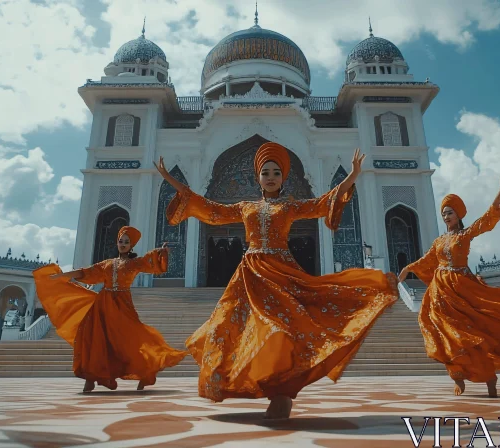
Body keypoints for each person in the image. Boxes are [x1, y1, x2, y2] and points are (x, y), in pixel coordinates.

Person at [155, 143, 399, 419]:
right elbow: (209, 208)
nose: (270, 177)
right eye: (265, 173)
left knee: (280, 331)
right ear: (257, 178)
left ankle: (282, 395)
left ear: (283, 177)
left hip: (281, 273)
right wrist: (171, 180)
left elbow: (324, 203)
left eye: (276, 173)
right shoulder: (244, 207)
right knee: (226, 330)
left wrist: (352, 175)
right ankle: (253, 385)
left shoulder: (291, 206)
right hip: (249, 276)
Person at [398, 175, 500, 398]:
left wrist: (498, 197)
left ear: (458, 215)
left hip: (463, 288)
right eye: (443, 213)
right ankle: (457, 375)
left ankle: (489, 378)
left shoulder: (464, 235)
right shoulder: (439, 241)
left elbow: (484, 222)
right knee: (447, 334)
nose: (446, 217)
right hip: (441, 291)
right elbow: (427, 260)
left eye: (450, 212)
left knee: (474, 333)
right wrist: (408, 268)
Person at [32, 226, 187, 393]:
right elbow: (86, 272)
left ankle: (145, 372)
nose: (123, 244)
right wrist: (61, 276)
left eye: (127, 242)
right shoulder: (107, 264)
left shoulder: (134, 263)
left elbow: (150, 262)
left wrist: (161, 252)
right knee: (96, 339)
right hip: (102, 305)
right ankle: (90, 379)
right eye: (121, 241)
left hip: (122, 305)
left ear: (131, 245)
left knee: (130, 340)